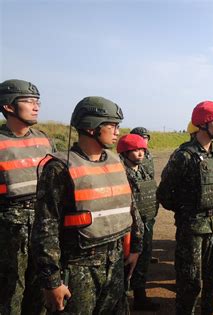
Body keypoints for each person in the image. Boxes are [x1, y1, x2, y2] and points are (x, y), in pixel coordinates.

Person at [32, 96, 143, 313]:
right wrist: (52, 280)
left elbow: (130, 207)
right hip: (78, 268)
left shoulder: (115, 161)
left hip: (115, 263)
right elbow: (46, 228)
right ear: (91, 127)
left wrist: (136, 247)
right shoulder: (58, 168)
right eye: (112, 125)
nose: (117, 132)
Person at [157, 100, 213, 315]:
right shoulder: (184, 156)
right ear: (203, 123)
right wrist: (187, 211)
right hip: (192, 229)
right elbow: (164, 193)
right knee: (190, 281)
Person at [0, 79, 54, 315]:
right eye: (29, 101)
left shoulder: (44, 139)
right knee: (9, 292)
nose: (36, 106)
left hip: (42, 225)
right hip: (8, 229)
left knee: (40, 289)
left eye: (37, 101)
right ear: (8, 106)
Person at [117, 134, 159, 311]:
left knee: (143, 261)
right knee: (126, 264)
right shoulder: (120, 173)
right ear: (125, 152)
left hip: (146, 224)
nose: (140, 154)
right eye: (135, 150)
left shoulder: (143, 171)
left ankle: (140, 297)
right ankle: (122, 299)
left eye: (142, 150)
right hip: (128, 228)